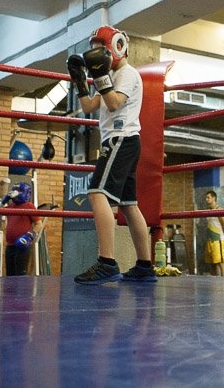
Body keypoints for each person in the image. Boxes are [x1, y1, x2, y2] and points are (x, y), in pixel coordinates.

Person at [67, 26, 156, 284]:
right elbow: (89, 107)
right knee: (128, 205)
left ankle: (106, 262)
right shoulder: (110, 74)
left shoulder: (128, 74)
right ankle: (144, 265)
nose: (98, 53)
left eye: (102, 48)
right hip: (121, 141)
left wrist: (101, 77)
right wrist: (81, 82)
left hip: (122, 139)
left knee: (96, 194)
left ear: (117, 47)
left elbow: (115, 102)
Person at [4, 182, 44, 276]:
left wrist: (28, 237)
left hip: (22, 245)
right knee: (10, 275)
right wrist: (4, 200)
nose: (16, 194)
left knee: (20, 274)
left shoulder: (29, 206)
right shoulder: (11, 206)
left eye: (18, 191)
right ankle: (10, 291)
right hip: (10, 245)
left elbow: (39, 224)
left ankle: (22, 291)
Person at [204, 190, 224, 277]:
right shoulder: (208, 211)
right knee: (212, 264)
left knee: (220, 263)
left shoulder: (219, 210)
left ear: (214, 198)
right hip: (210, 240)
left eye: (208, 197)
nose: (206, 199)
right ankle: (214, 284)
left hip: (218, 240)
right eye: (206, 198)